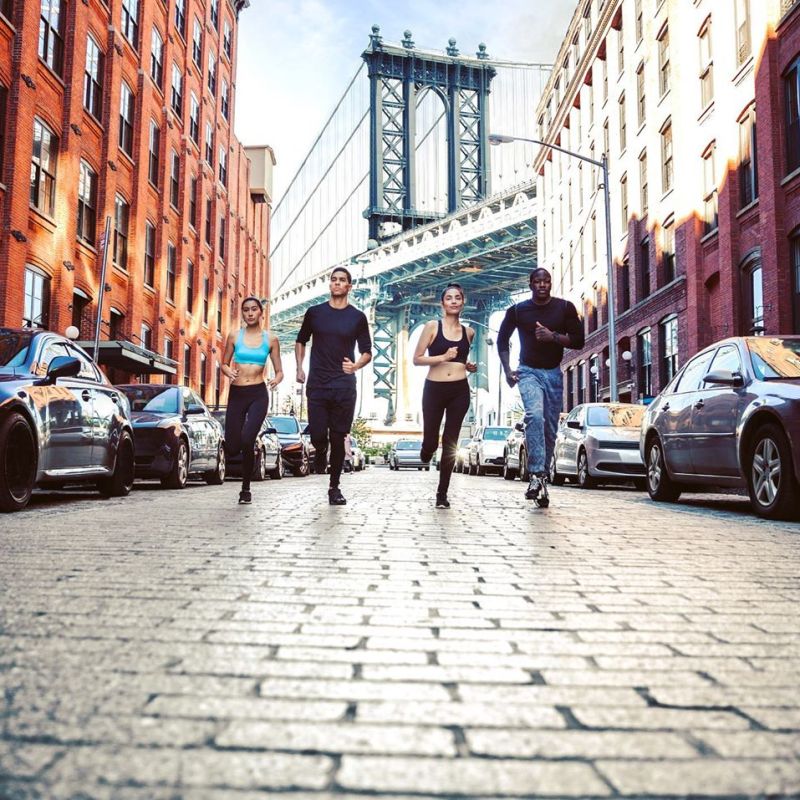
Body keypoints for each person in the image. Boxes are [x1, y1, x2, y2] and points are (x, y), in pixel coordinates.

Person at [497, 267, 584, 507]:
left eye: (546, 281)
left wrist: (553, 336)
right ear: (530, 284)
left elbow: (578, 341)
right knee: (534, 416)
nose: (542, 285)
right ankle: (535, 475)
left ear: (550, 283)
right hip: (528, 371)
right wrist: (507, 370)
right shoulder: (517, 310)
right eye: (538, 281)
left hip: (554, 374)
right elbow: (502, 340)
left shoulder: (564, 307)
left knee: (549, 430)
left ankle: (542, 477)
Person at [296, 266, 372, 505]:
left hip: (343, 385)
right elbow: (301, 341)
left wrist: (356, 366)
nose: (337, 283)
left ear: (349, 287)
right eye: (333, 280)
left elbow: (367, 351)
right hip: (317, 383)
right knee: (318, 433)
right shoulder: (314, 313)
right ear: (330, 285)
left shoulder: (357, 317)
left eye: (342, 281)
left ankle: (334, 487)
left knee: (339, 437)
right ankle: (320, 450)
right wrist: (299, 367)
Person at [413, 283, 477, 509]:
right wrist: (442, 356)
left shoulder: (469, 332)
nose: (453, 301)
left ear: (463, 301)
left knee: (451, 442)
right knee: (431, 441)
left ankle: (442, 493)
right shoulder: (432, 326)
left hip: (459, 390)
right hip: (434, 389)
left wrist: (468, 365)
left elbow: (460, 360)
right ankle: (427, 449)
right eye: (448, 298)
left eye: (457, 297)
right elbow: (417, 358)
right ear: (442, 303)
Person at [221, 296, 283, 504]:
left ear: (260, 313)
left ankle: (245, 489)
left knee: (247, 440)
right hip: (237, 393)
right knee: (232, 446)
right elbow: (224, 363)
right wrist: (228, 370)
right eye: (246, 310)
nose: (249, 313)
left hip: (258, 393)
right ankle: (246, 451)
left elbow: (280, 370)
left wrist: (276, 379)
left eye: (253, 309)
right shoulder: (234, 336)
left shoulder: (271, 339)